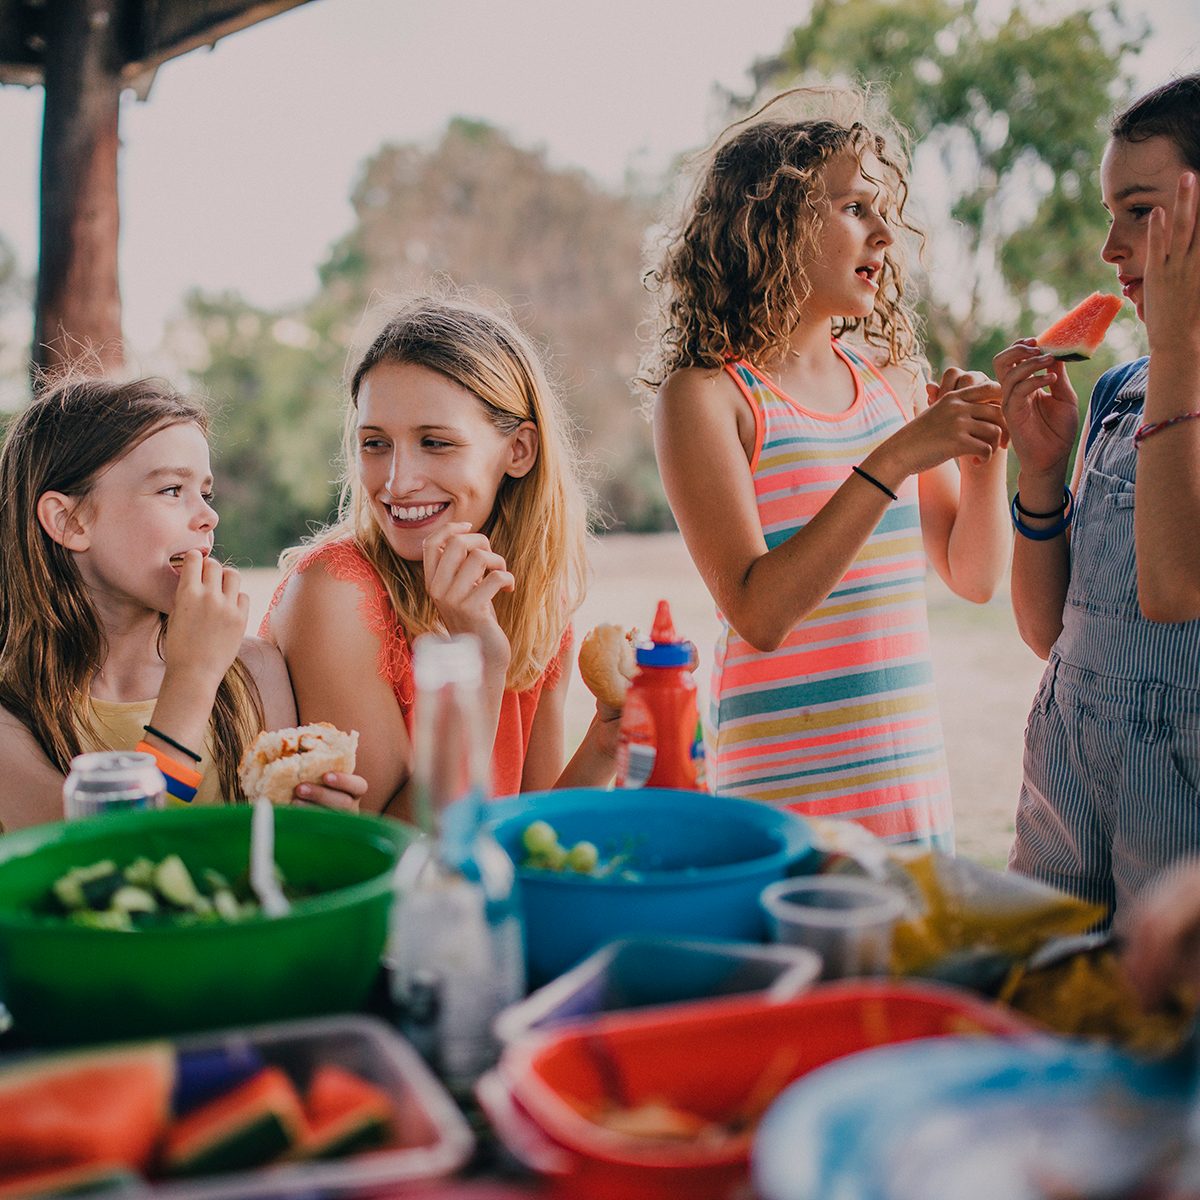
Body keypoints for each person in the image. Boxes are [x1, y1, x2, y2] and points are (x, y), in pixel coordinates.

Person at [641, 87, 1010, 849]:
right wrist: (900, 453)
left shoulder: (893, 381)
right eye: (853, 209)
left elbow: (973, 578)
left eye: (884, 211)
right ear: (771, 225)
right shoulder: (707, 396)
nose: (884, 233)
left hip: (907, 789)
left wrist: (984, 459)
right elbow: (760, 613)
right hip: (784, 804)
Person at [263, 294, 618, 819]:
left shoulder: (540, 595)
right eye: (375, 444)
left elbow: (530, 830)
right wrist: (478, 662)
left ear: (518, 451)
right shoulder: (336, 594)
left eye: (435, 442)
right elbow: (394, 852)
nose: (397, 482)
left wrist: (608, 739)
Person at [996, 73, 1200, 928]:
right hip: (1066, 775)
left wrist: (1178, 345)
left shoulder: (1168, 379)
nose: (1110, 249)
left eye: (1139, 210)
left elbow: (1172, 589)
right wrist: (1039, 476)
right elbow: (1048, 632)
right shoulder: (1121, 391)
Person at [0, 375, 366, 833]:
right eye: (172, 490)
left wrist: (317, 827)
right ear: (69, 521)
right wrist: (192, 678)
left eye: (206, 493)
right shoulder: (11, 717)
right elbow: (112, 865)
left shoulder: (254, 672)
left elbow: (279, 864)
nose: (209, 516)